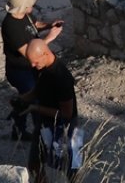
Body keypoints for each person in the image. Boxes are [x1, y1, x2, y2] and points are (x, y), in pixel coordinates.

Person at [1, 0, 64, 141]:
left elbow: (35, 24)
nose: (33, 5)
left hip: (32, 68)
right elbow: (29, 53)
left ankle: (18, 126)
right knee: (35, 100)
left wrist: (49, 25)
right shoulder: (11, 27)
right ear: (23, 7)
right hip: (20, 71)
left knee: (28, 98)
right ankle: (41, 135)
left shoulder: (24, 15)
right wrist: (50, 37)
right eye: (30, 4)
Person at [15, 39, 81, 183]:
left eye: (35, 62)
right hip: (44, 122)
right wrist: (22, 99)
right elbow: (38, 89)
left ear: (45, 53)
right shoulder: (41, 66)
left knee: (69, 168)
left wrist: (35, 108)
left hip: (64, 127)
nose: (32, 65)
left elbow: (67, 114)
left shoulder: (62, 77)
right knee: (34, 164)